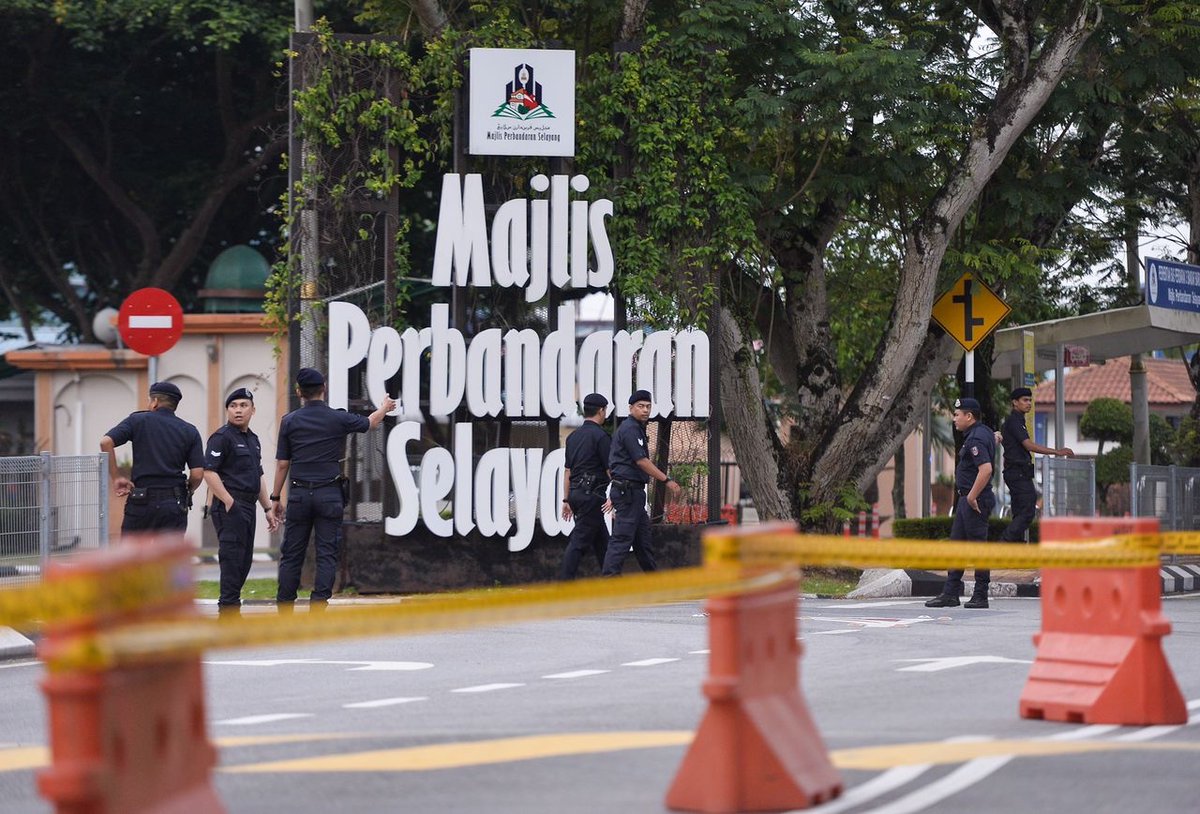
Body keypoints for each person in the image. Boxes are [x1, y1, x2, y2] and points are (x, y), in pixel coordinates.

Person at [270, 368, 395, 612]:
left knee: (292, 554)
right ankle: (318, 607)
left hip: (299, 494)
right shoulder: (338, 418)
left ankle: (285, 609)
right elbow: (371, 423)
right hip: (329, 494)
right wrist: (384, 407)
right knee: (326, 553)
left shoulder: (289, 421)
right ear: (323, 389)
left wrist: (275, 498)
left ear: (299, 392)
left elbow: (283, 464)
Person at [203, 388, 279, 617]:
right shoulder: (221, 437)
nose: (238, 410)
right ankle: (228, 613)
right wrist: (228, 501)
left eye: (243, 405)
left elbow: (258, 476)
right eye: (233, 406)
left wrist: (267, 508)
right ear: (227, 410)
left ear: (252, 410)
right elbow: (209, 472)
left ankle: (231, 607)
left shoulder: (253, 440)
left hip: (249, 505)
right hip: (230, 505)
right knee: (232, 559)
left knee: (244, 560)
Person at [100, 381, 204, 535]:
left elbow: (105, 442)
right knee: (170, 552)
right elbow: (197, 474)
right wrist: (188, 490)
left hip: (141, 502)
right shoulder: (190, 431)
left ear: (155, 402)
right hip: (173, 503)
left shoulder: (137, 420)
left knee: (133, 551)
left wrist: (116, 477)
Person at [926, 397, 996, 609]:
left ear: (969, 416)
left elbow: (986, 469)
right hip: (967, 500)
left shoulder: (975, 439)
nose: (954, 419)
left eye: (957, 415)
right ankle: (950, 593)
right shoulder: (984, 432)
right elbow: (994, 438)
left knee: (978, 548)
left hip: (975, 500)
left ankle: (981, 595)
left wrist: (972, 496)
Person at [603, 389, 681, 576]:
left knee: (642, 541)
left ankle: (653, 581)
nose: (645, 410)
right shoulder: (630, 429)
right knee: (621, 539)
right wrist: (667, 480)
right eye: (641, 406)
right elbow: (641, 461)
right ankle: (608, 580)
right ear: (631, 408)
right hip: (628, 493)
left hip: (632, 493)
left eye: (648, 406)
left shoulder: (635, 428)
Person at [999, 386, 1073, 543]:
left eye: (1030, 400)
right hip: (1017, 473)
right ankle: (1004, 542)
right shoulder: (1014, 421)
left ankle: (1014, 547)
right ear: (1015, 402)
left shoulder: (1017, 421)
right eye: (1025, 400)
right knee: (1028, 511)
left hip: (1018, 472)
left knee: (1020, 512)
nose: (1028, 403)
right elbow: (1028, 445)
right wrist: (1056, 452)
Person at [560, 393, 612, 579]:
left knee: (602, 542)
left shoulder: (572, 437)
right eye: (605, 410)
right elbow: (610, 470)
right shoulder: (601, 437)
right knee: (578, 542)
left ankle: (613, 580)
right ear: (601, 411)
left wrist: (566, 500)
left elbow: (568, 471)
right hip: (592, 496)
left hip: (576, 494)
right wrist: (616, 493)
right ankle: (565, 584)